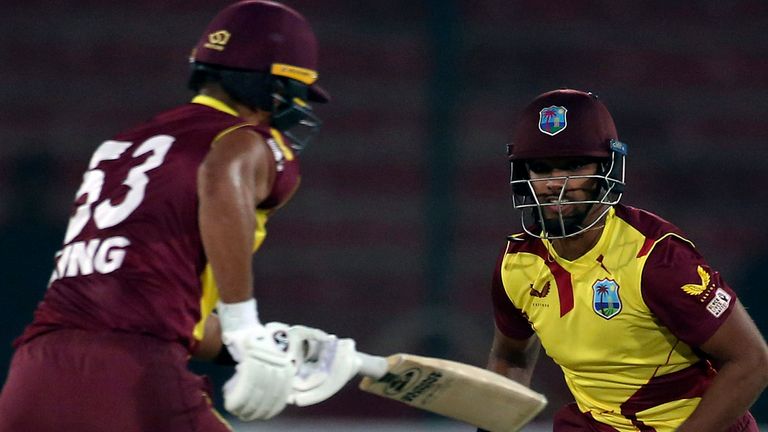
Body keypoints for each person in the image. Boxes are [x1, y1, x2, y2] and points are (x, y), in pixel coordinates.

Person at [0, 1, 360, 431]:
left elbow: (145, 308)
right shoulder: (245, 140)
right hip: (131, 376)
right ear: (275, 87)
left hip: (32, 377)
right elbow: (220, 173)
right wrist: (244, 326)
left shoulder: (120, 148)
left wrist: (261, 342)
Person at [482, 89, 768, 432]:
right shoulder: (517, 264)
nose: (555, 184)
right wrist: (492, 425)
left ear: (607, 168)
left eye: (574, 166)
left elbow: (752, 361)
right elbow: (509, 356)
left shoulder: (655, 257)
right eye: (541, 169)